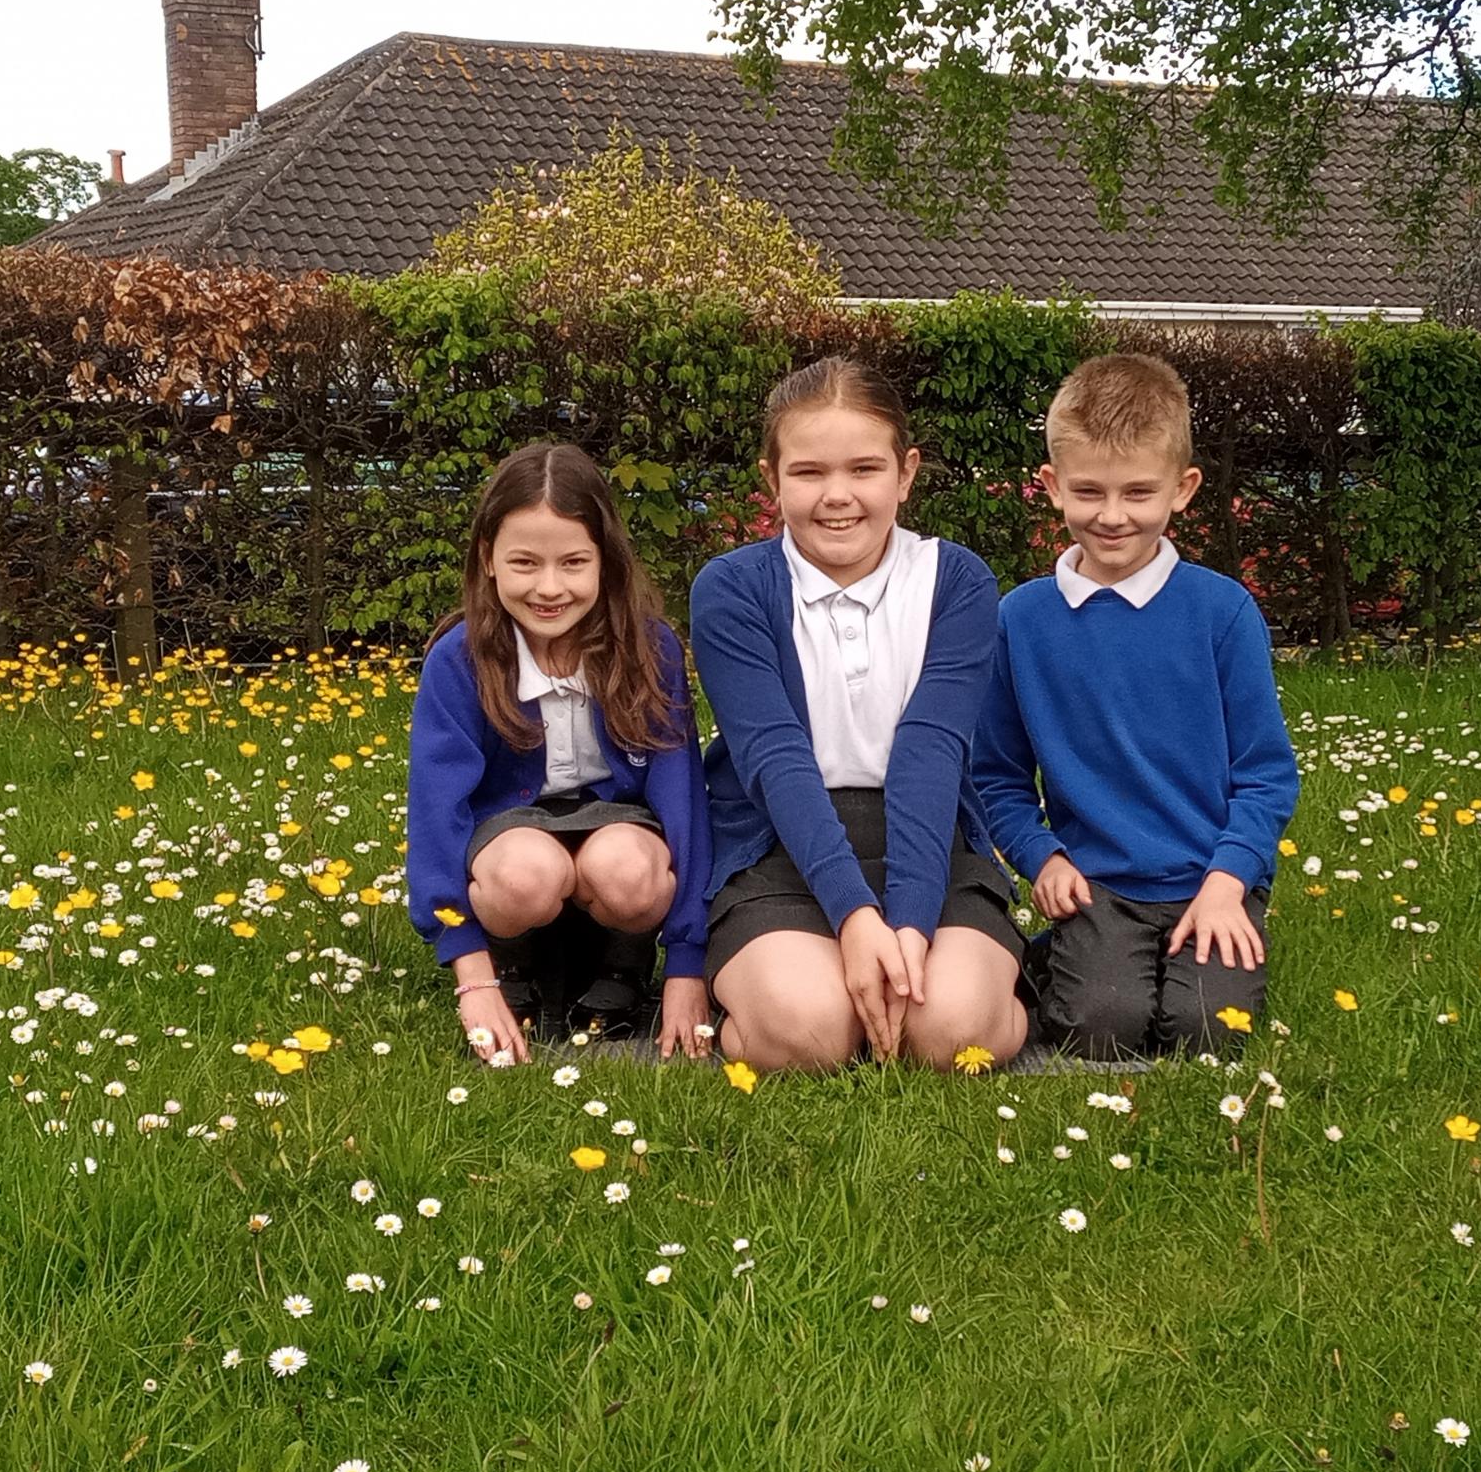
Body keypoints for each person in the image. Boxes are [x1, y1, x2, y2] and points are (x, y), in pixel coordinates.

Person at [691, 357, 1028, 1072]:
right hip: (779, 842)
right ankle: (769, 1000)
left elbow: (931, 751)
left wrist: (906, 921)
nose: (837, 496)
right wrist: (853, 916)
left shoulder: (956, 580)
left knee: (952, 1034)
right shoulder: (732, 589)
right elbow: (774, 759)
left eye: (864, 470)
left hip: (931, 839)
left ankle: (998, 982)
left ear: (905, 473)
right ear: (772, 479)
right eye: (809, 472)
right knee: (810, 1033)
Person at [975, 352, 1300, 1058]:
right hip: (1097, 887)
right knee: (1101, 1028)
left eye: (1138, 493)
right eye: (1088, 492)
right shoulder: (1022, 620)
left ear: (1182, 490)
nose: (1113, 516)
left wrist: (1228, 881)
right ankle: (1052, 957)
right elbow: (994, 775)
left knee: (1205, 1034)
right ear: (1052, 486)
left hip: (1210, 879)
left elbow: (1267, 774)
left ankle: (1200, 963)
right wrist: (1043, 858)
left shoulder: (1223, 612)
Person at [406, 441, 711, 1064]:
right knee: (525, 875)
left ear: (606, 562)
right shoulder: (458, 661)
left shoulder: (649, 650)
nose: (550, 588)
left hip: (617, 833)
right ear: (488, 559)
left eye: (573, 562)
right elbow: (436, 814)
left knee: (632, 870)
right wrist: (471, 975)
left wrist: (688, 962)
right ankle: (511, 971)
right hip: (511, 842)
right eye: (525, 563)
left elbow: (682, 797)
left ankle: (625, 971)